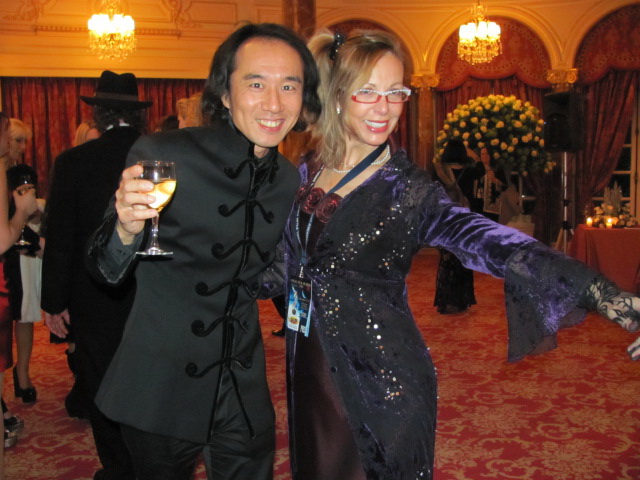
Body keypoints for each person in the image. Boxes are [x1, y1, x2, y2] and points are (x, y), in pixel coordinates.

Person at [265, 30, 640, 480]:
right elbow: (279, 262)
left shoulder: (407, 189)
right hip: (309, 365)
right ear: (337, 95)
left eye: (396, 92)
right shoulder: (308, 168)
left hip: (380, 376)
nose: (385, 108)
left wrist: (606, 295)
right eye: (368, 91)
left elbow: (491, 241)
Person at [82, 23, 321, 480]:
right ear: (225, 94)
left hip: (242, 383)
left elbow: (268, 273)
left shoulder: (288, 178)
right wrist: (126, 228)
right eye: (256, 84)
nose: (275, 103)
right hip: (160, 381)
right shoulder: (165, 154)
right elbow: (104, 271)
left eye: (289, 86)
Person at [41, 70, 152, 480]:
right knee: (148, 383)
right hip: (151, 294)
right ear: (138, 114)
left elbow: (61, 238)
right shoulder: (160, 160)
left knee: (102, 384)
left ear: (98, 115)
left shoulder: (74, 161)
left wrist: (53, 302)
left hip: (92, 294)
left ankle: (119, 469)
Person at [0, 111, 38, 480]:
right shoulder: (2, 172)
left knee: (24, 313)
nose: (20, 147)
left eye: (24, 140)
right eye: (15, 139)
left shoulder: (23, 172)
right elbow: (7, 231)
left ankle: (22, 376)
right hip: (7, 253)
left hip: (20, 252)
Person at [432, 138, 485, 314]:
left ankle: (445, 301)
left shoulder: (438, 170)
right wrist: (474, 155)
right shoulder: (469, 171)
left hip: (445, 218)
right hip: (463, 219)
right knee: (462, 258)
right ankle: (461, 300)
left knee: (446, 260)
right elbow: (482, 169)